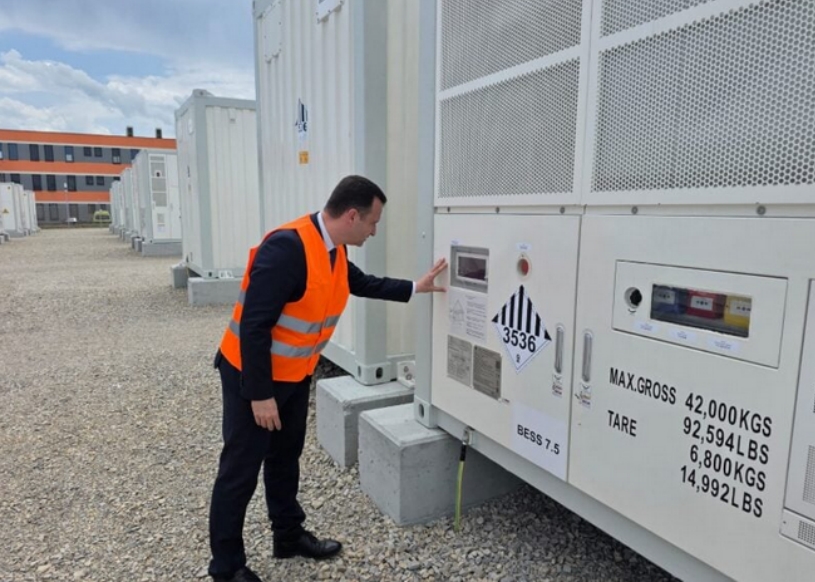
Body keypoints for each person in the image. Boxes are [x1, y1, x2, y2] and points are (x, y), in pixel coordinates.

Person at [208, 175, 448, 582]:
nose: (374, 231)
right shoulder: (287, 248)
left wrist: (415, 287)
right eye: (372, 222)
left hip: (294, 375)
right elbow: (254, 326)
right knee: (240, 470)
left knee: (285, 458)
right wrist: (259, 395)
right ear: (352, 216)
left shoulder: (333, 250)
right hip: (253, 377)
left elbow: (362, 283)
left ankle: (288, 537)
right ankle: (226, 567)